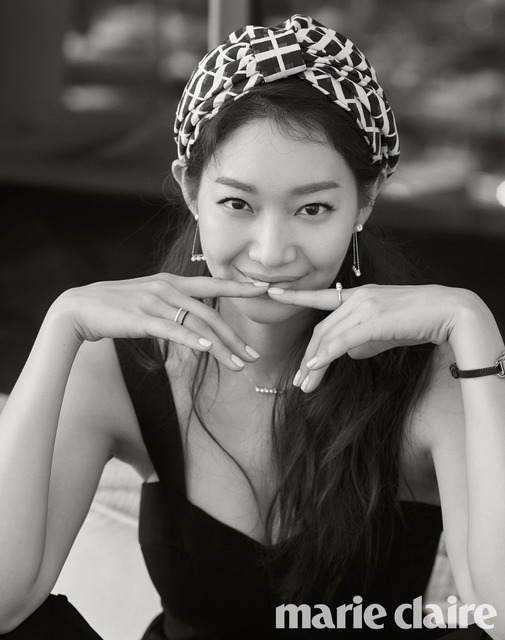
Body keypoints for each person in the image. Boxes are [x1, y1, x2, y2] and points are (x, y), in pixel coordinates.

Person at [0, 13, 503, 640]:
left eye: (312, 208)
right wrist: (61, 324)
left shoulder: (428, 375)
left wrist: (472, 324)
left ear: (365, 201)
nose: (270, 252)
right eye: (237, 203)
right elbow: (4, 604)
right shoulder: (121, 365)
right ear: (191, 191)